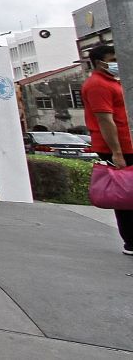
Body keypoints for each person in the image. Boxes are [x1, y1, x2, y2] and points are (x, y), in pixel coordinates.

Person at [81, 43, 133, 255]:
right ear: (98, 62)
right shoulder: (97, 85)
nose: (116, 64)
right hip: (119, 147)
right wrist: (117, 152)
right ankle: (131, 241)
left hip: (125, 144)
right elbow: (105, 120)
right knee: (125, 195)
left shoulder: (113, 82)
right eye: (112, 60)